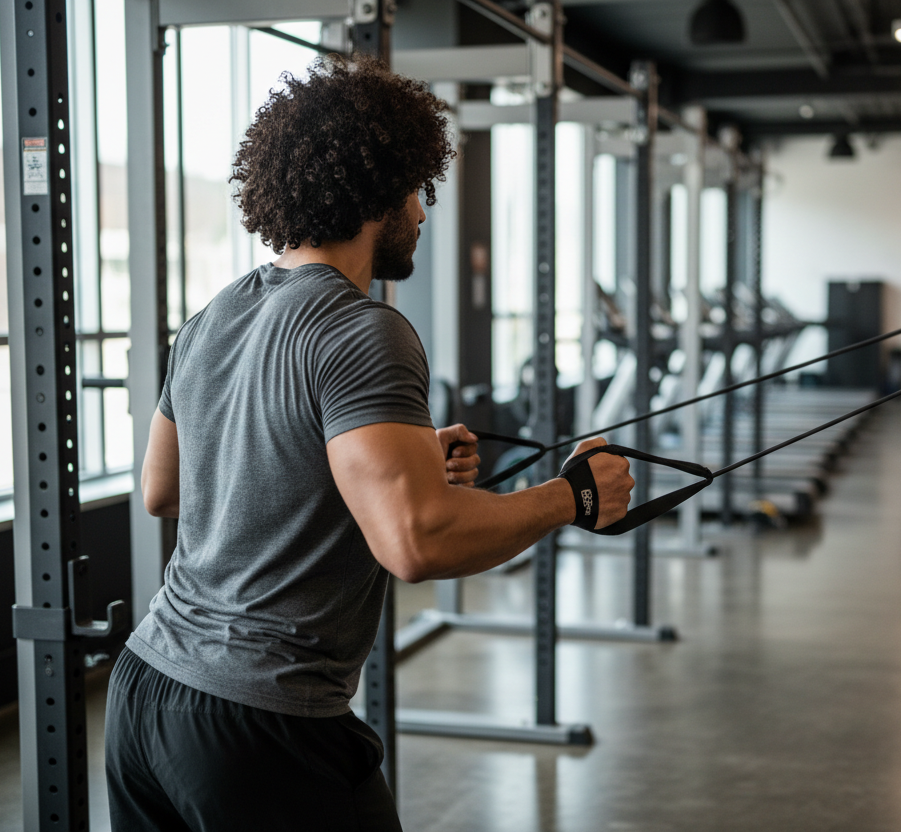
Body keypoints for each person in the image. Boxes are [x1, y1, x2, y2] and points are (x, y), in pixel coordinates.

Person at [104, 55, 634, 832]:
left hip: (145, 694)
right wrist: (570, 497)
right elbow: (417, 544)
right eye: (417, 190)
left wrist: (392, 466)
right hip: (263, 722)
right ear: (375, 192)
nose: (422, 213)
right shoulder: (365, 329)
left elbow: (166, 489)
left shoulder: (214, 316)